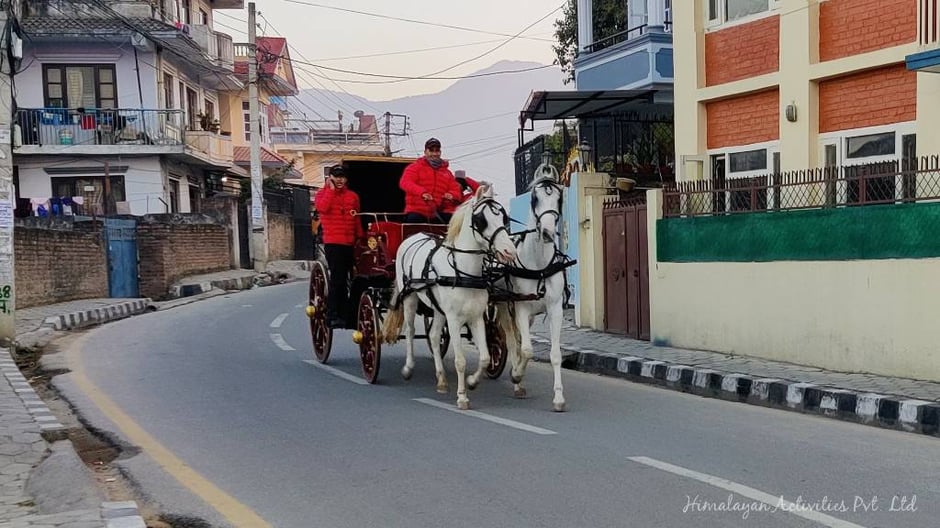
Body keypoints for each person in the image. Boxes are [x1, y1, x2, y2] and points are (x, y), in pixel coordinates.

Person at [315, 165, 362, 328]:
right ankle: (333, 314)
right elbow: (322, 208)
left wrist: (360, 237)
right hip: (334, 243)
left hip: (350, 242)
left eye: (342, 176)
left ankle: (350, 313)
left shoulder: (352, 196)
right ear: (331, 178)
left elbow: (356, 219)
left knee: (355, 279)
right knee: (338, 280)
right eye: (336, 176)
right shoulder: (322, 194)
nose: (340, 180)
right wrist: (331, 190)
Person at [400, 137, 462, 223]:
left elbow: (456, 190)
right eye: (431, 150)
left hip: (437, 213)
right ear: (425, 152)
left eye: (437, 150)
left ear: (440, 152)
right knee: (414, 221)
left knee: (455, 222)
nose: (434, 153)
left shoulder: (447, 173)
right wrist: (422, 193)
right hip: (417, 211)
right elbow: (405, 182)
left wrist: (452, 195)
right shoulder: (414, 167)